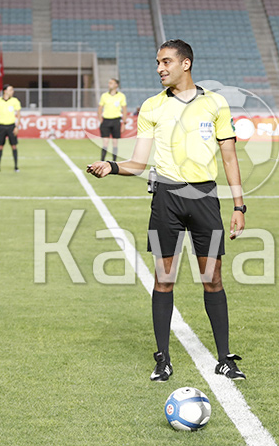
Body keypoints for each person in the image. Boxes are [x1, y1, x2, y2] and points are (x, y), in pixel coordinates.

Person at [87, 39, 248, 382]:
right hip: (166, 200)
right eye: (157, 63)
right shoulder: (151, 107)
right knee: (164, 280)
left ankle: (224, 358)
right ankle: (163, 358)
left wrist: (239, 205)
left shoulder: (216, 104)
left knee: (213, 280)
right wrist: (112, 167)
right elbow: (138, 162)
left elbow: (230, 157)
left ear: (185, 64)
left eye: (166, 62)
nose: (159, 68)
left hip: (205, 199)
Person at [0, 84, 21, 172]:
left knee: (14, 146)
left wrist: (17, 126)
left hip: (11, 126)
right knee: (0, 146)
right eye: (10, 90)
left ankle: (16, 167)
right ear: (5, 91)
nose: (12, 91)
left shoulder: (15, 101)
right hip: (2, 126)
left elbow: (19, 115)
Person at [97, 78, 126, 162]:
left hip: (116, 121)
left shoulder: (121, 96)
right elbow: (100, 108)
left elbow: (124, 109)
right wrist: (100, 120)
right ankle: (102, 161)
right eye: (109, 83)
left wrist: (123, 123)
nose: (109, 84)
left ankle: (114, 162)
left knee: (115, 142)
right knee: (105, 142)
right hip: (106, 120)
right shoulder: (104, 95)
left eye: (111, 83)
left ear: (116, 85)